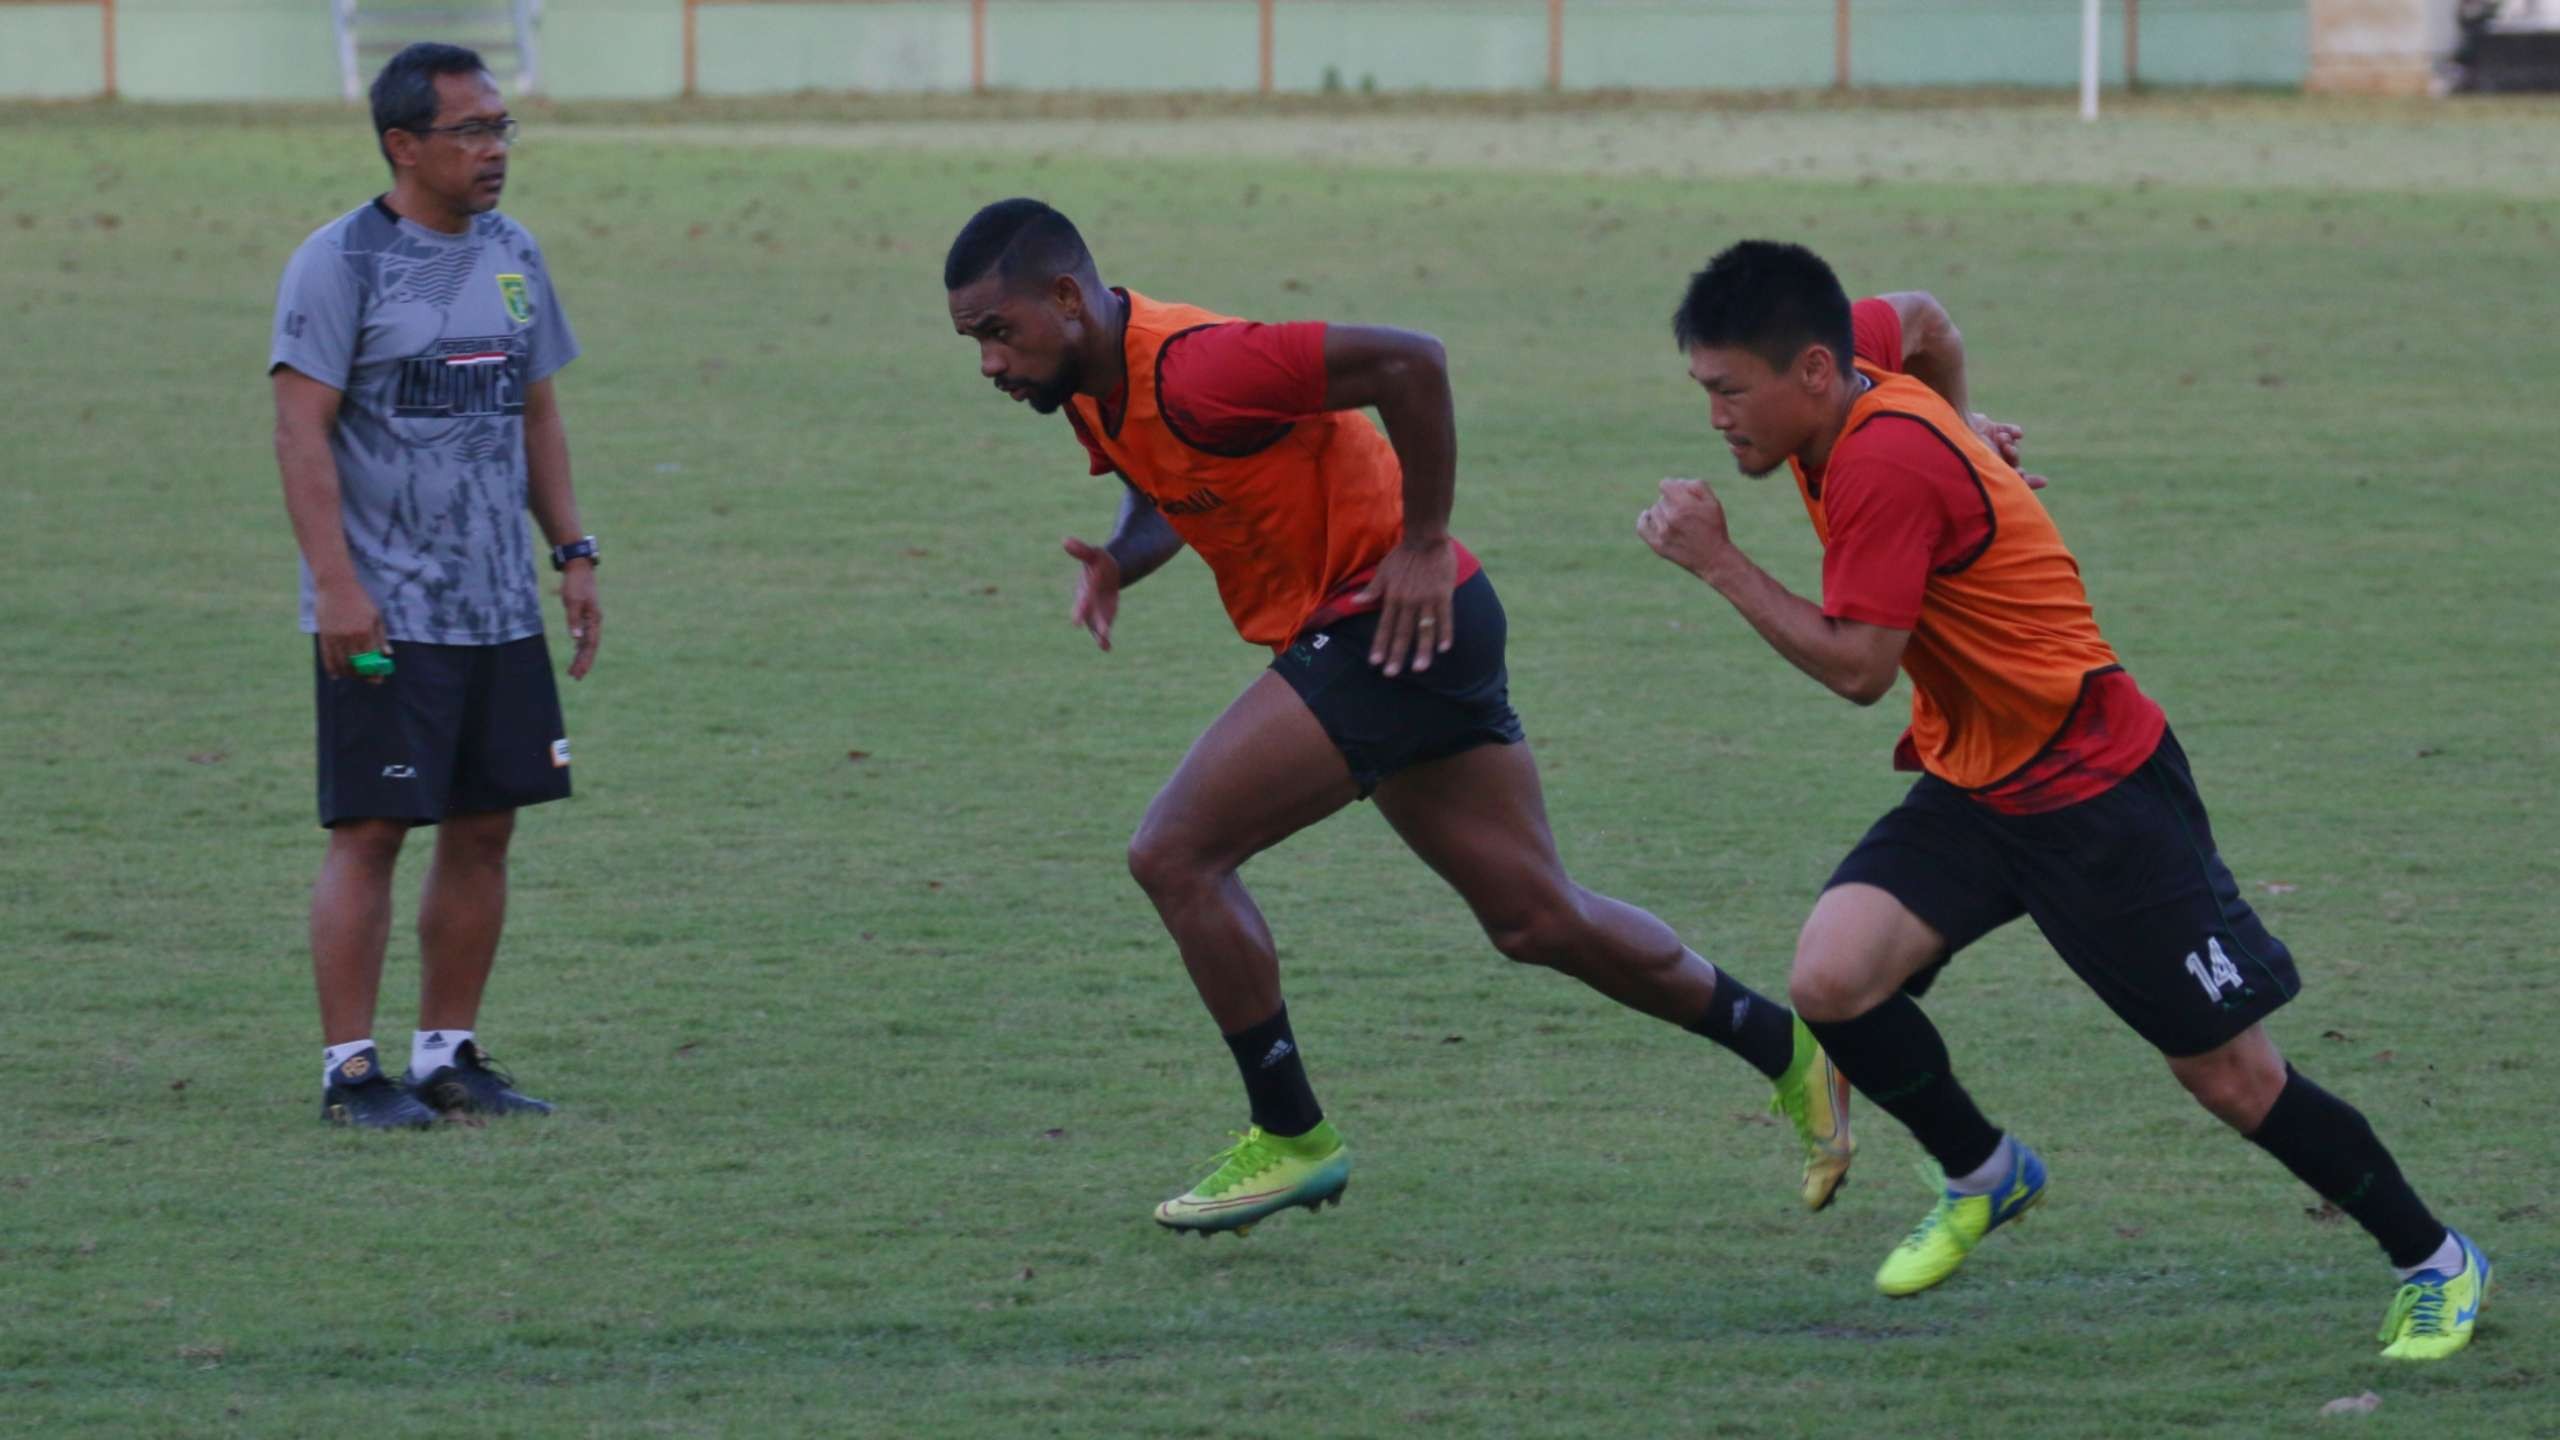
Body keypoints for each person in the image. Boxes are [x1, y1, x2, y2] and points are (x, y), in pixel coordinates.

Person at [1636, 240, 2487, 1360]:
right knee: (1832, 978)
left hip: (2095, 788)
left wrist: (1719, 562)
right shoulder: (1859, 361)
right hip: (1977, 776)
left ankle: (2435, 1257)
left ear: (1809, 368)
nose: (1717, 420)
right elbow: (1928, 315)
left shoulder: (1884, 465)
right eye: (1704, 391)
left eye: (1729, 391)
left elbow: (1856, 670)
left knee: (2231, 1078)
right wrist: (1974, 435)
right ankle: (1985, 1172)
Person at [943, 199, 1853, 1235]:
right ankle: (1794, 1055)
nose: (989, 365)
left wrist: (1424, 537)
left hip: (1387, 620)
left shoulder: (1201, 365)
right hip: (1423, 634)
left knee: (1174, 852)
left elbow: (1411, 363)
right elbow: (1167, 482)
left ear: (1066, 300)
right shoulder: (1088, 385)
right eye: (974, 343)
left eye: (996, 334)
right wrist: (1119, 559)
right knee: (1536, 919)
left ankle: (1292, 1137)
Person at [269, 43, 597, 1128]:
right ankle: (350, 1071)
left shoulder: (513, 252)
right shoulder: (342, 262)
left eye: (502, 128)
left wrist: (573, 552)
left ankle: (447, 1055)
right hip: (385, 607)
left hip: (496, 605)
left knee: (488, 822)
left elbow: (535, 411)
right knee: (371, 828)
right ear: (403, 145)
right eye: (471, 131)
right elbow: (300, 431)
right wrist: (336, 587)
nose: (495, 150)